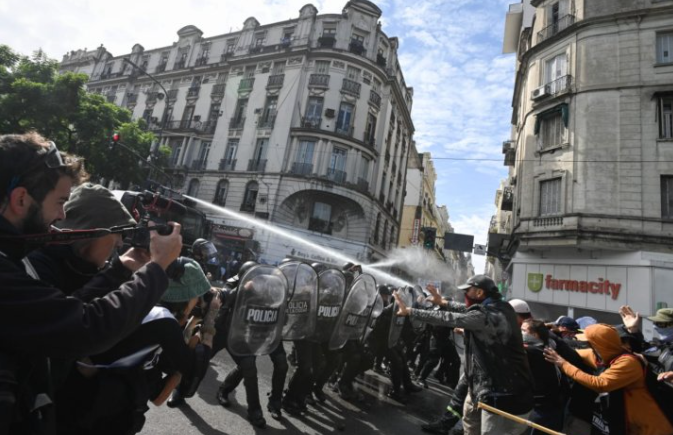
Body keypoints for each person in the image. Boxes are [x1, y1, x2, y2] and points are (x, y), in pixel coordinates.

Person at [0, 132, 183, 434]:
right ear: (21, 199)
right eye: (59, 202)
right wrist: (158, 266)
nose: (61, 215)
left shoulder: (12, 256)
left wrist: (121, 270)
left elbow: (63, 310)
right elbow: (86, 326)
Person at [54, 258, 220, 435]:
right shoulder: (163, 322)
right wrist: (211, 318)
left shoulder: (140, 304)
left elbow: (163, 380)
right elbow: (194, 373)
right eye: (198, 295)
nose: (200, 301)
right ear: (184, 296)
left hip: (78, 401)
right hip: (94, 413)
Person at [395, 274, 534, 435]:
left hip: (498, 392)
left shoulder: (485, 315)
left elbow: (449, 318)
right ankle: (448, 422)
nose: (465, 295)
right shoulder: (503, 307)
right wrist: (443, 302)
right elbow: (465, 310)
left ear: (480, 293)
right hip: (483, 383)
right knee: (469, 419)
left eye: (468, 291)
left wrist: (410, 311)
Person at [544, 324, 673, 435]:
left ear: (600, 345)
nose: (587, 346)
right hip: (632, 426)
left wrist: (563, 364)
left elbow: (600, 384)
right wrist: (549, 335)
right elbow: (574, 352)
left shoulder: (628, 362)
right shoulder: (607, 356)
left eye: (590, 343)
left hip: (652, 427)